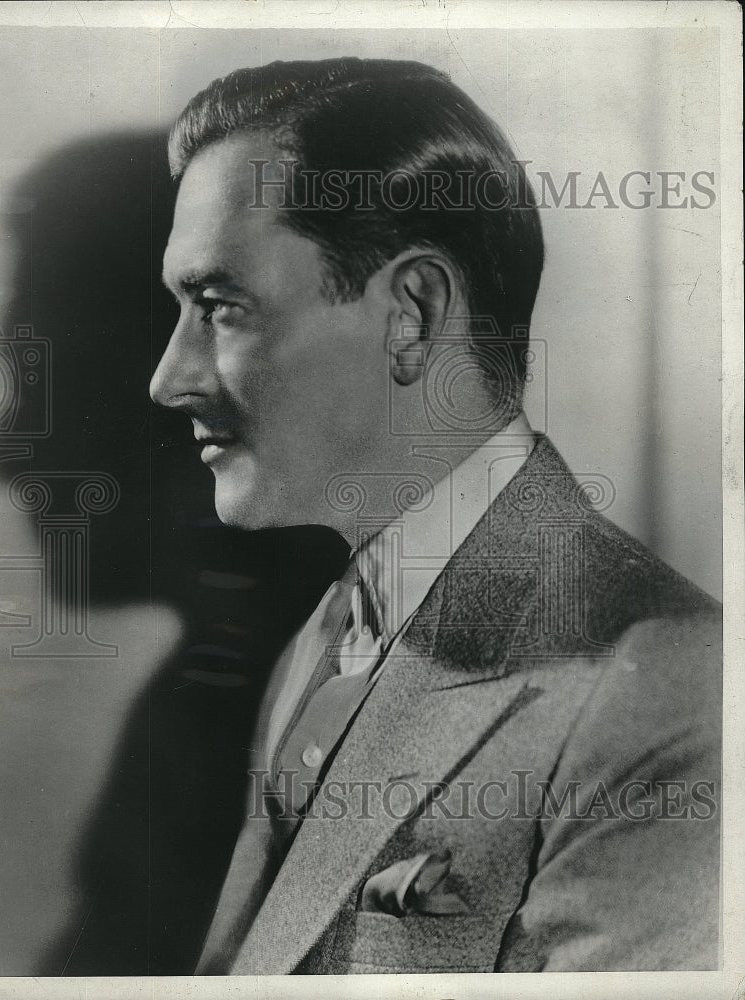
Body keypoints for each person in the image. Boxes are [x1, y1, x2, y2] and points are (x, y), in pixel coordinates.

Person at [149, 57, 721, 974]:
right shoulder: (329, 635)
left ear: (412, 313)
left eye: (218, 308)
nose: (169, 378)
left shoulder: (668, 689)